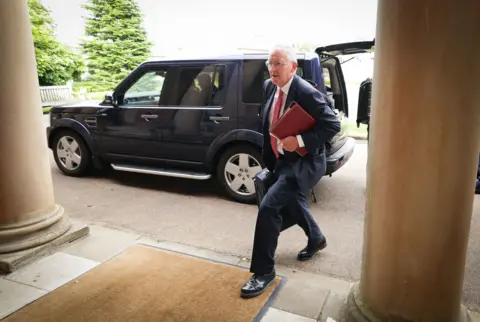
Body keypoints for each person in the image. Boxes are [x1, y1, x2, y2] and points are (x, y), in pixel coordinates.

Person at [240, 45, 341, 298]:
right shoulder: (269, 86)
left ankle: (263, 272)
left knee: (269, 207)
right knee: (294, 203)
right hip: (280, 160)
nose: (272, 69)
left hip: (303, 162)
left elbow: (332, 125)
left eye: (278, 64)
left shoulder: (306, 92)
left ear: (293, 67)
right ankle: (316, 238)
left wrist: (300, 140)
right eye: (270, 64)